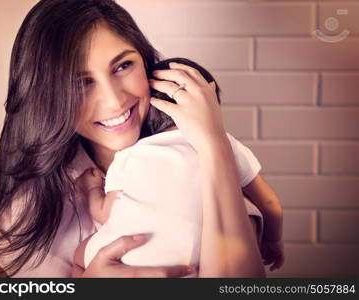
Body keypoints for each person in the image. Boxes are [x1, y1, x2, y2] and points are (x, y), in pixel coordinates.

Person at [0, 0, 265, 278]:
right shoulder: (26, 212)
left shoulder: (193, 166)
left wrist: (213, 145)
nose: (114, 101)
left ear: (146, 63)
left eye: (123, 66)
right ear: (47, 99)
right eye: (80, 83)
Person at [72, 58, 284, 277]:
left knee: (79, 259)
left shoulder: (130, 155)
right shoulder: (228, 143)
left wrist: (92, 190)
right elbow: (269, 202)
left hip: (131, 255)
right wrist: (273, 240)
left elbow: (106, 213)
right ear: (211, 104)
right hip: (195, 260)